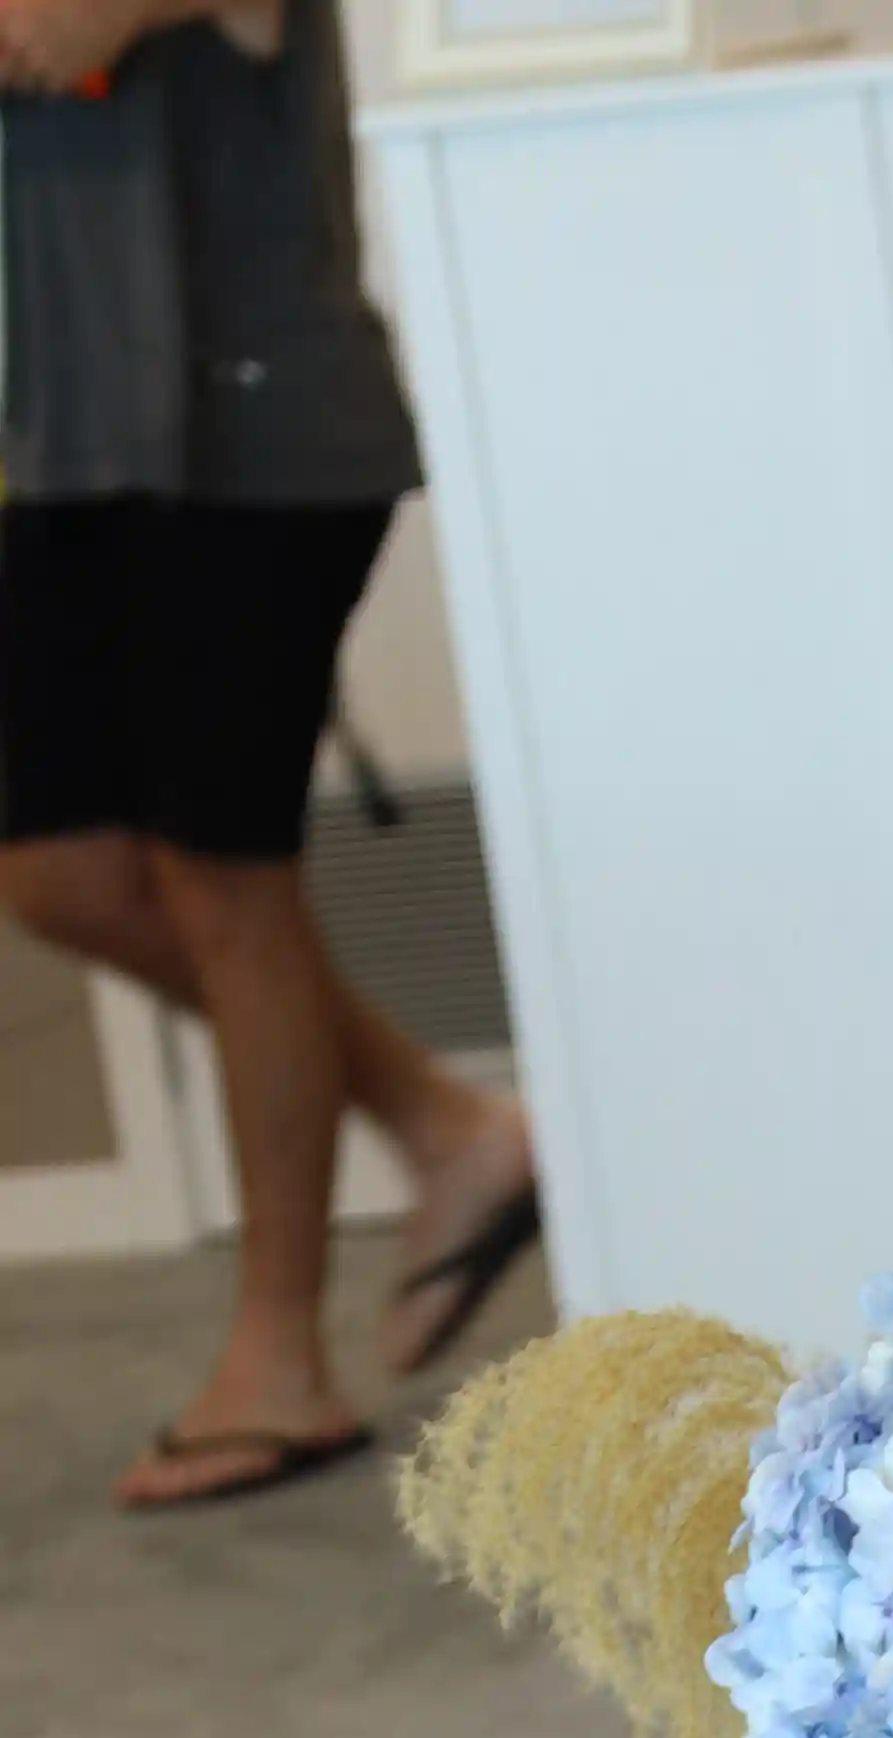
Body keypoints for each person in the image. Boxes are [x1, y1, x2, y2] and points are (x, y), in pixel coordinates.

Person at [0, 0, 538, 1507]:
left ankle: (279, 1362)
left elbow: (52, 33)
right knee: (58, 871)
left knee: (227, 883)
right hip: (69, 443)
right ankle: (448, 1125)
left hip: (254, 439)